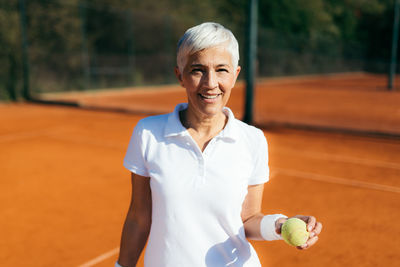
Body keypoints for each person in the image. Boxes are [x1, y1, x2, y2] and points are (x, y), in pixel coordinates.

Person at [116, 22, 322, 267]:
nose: (210, 82)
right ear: (180, 76)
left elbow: (248, 219)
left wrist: (279, 225)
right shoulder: (148, 133)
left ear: (235, 75)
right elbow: (139, 217)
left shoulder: (252, 140)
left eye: (221, 70)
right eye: (197, 70)